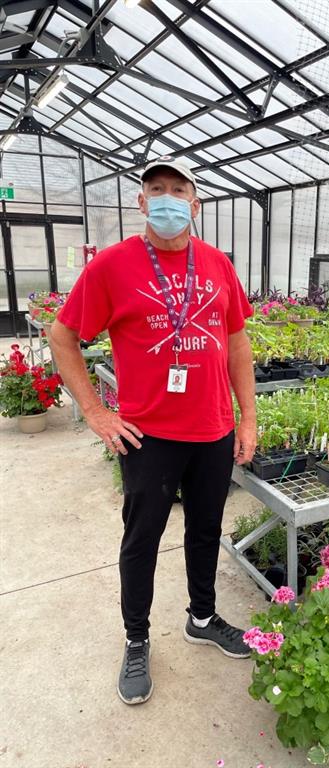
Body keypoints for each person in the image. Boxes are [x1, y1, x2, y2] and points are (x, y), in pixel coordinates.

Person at [50, 156, 257, 705]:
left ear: (195, 202)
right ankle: (137, 639)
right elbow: (63, 336)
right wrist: (97, 413)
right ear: (142, 202)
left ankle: (202, 617)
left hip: (212, 429)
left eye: (178, 189)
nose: (167, 198)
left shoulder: (216, 264)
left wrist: (248, 418)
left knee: (205, 530)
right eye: (156, 189)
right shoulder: (112, 267)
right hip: (148, 436)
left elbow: (237, 342)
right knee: (142, 540)